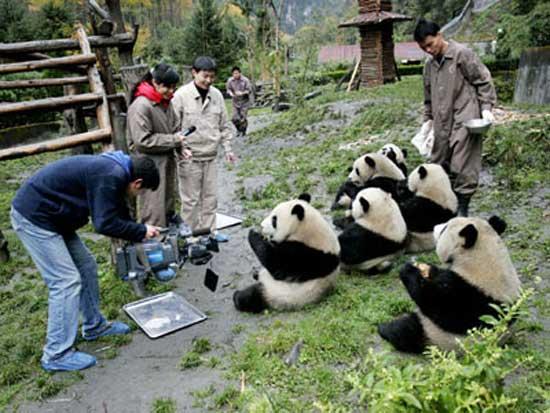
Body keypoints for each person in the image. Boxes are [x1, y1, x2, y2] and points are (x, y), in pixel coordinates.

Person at [10, 152, 161, 371]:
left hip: (55, 217)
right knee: (65, 281)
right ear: (137, 183)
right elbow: (104, 223)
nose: (138, 196)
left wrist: (138, 231)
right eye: (142, 191)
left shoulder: (117, 171)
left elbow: (117, 211)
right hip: (35, 218)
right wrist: (141, 230)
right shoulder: (110, 175)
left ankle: (94, 326)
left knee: (86, 265)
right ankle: (56, 354)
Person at [414, 18, 497, 217]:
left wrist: (486, 108)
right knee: (439, 163)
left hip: (465, 117)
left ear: (439, 36)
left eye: (430, 44)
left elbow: (483, 81)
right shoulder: (429, 65)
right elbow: (428, 97)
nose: (428, 50)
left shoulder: (461, 54)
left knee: (463, 165)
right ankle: (445, 207)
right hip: (441, 122)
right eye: (423, 48)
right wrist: (427, 121)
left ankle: (462, 209)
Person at [172, 56, 236, 241]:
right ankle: (191, 236)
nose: (208, 80)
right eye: (205, 76)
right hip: (189, 157)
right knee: (190, 200)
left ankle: (210, 232)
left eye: (212, 77)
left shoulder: (216, 95)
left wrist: (228, 149)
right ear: (194, 73)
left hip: (211, 155)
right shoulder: (181, 96)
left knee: (210, 198)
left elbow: (224, 125)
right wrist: (180, 148)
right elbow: (174, 128)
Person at [127, 63, 186, 227]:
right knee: (153, 208)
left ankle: (168, 244)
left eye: (174, 87)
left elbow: (175, 127)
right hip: (148, 165)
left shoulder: (166, 102)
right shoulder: (141, 106)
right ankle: (152, 245)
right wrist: (174, 140)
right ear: (155, 83)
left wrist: (181, 147)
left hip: (166, 161)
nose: (171, 92)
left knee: (167, 204)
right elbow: (142, 140)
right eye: (168, 87)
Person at [226, 66, 254, 136]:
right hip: (235, 101)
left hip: (244, 101)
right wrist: (231, 93)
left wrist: (242, 93)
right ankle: (238, 130)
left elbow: (249, 90)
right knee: (234, 118)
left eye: (237, 73)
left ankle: (243, 131)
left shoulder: (245, 80)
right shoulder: (230, 80)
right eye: (234, 74)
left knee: (242, 117)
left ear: (240, 73)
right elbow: (228, 89)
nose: (235, 75)